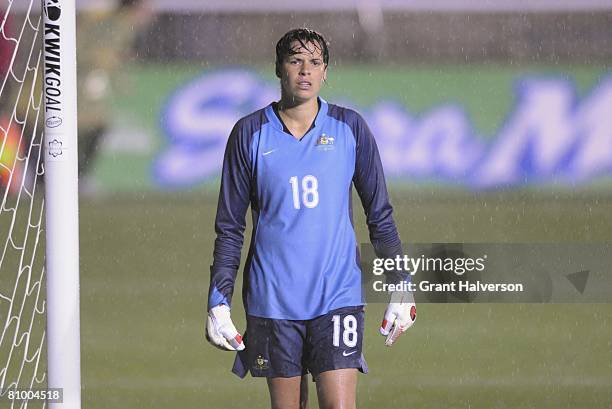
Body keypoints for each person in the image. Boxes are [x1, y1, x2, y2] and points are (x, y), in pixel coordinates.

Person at [206, 28, 417, 409]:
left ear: (325, 73)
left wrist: (400, 283)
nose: (305, 70)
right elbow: (230, 228)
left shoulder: (350, 128)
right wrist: (218, 299)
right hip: (272, 300)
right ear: (278, 68)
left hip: (337, 295)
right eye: (295, 60)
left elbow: (380, 216)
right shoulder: (249, 134)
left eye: (315, 62)